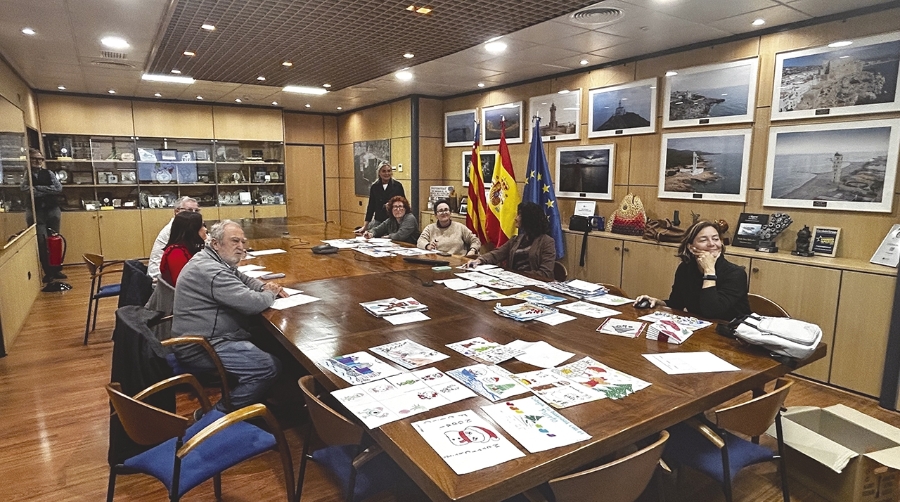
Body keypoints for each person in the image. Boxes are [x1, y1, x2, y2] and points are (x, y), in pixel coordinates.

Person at [172, 219, 287, 412]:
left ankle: (274, 397)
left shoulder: (212, 259)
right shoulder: (211, 270)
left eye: (243, 242)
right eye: (235, 241)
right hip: (202, 345)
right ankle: (219, 414)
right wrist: (270, 293)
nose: (241, 247)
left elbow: (242, 277)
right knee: (267, 367)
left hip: (213, 334)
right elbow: (252, 304)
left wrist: (263, 286)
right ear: (215, 243)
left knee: (274, 342)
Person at [634, 220, 751, 321]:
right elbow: (676, 304)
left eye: (716, 239)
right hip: (700, 331)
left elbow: (711, 311)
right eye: (703, 240)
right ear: (691, 247)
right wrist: (658, 302)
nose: (712, 244)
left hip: (731, 336)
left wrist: (709, 270)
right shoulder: (685, 268)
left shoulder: (736, 274)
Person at [465, 201, 556, 279]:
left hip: (533, 285)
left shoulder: (546, 242)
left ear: (529, 219)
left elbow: (545, 273)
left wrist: (516, 276)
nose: (516, 218)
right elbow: (497, 254)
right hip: (513, 281)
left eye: (519, 215)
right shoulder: (517, 239)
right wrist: (479, 260)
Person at [21, 148, 64, 283]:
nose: (38, 161)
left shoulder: (48, 173)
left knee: (54, 241)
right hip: (36, 212)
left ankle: (56, 269)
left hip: (52, 210)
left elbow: (57, 188)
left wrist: (38, 188)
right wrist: (45, 190)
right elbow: (24, 189)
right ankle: (47, 271)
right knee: (41, 242)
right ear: (29, 159)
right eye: (35, 159)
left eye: (40, 159)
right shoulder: (26, 174)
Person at [148, 196, 200, 282]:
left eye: (197, 211)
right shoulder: (174, 229)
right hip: (159, 280)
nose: (194, 214)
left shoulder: (185, 227)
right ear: (177, 211)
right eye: (189, 210)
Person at [158, 211, 206, 286]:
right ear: (192, 230)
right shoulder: (176, 253)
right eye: (202, 226)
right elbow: (183, 284)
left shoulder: (190, 248)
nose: (205, 229)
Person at [357, 162, 405, 232]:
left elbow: (404, 204)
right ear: (379, 172)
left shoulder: (397, 186)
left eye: (389, 171)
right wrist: (365, 226)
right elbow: (371, 207)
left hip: (393, 221)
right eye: (384, 171)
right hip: (378, 221)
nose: (387, 173)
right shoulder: (374, 187)